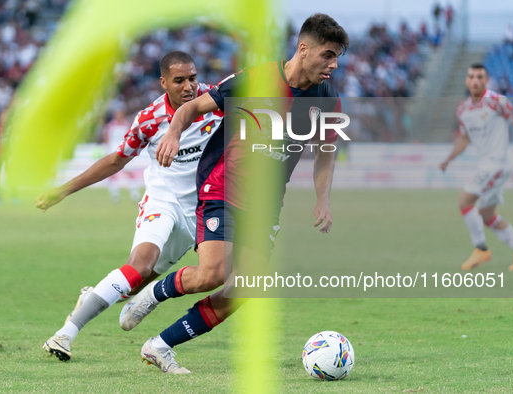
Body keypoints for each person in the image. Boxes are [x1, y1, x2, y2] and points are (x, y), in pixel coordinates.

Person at [120, 13, 349, 374]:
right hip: (223, 186)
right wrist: (174, 132)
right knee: (213, 273)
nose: (334, 65)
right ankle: (153, 294)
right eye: (328, 55)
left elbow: (325, 153)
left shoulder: (327, 99)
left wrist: (323, 199)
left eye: (338, 57)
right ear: (304, 49)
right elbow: (193, 106)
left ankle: (160, 346)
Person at [37, 51, 223, 363]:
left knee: (145, 277)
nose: (189, 86)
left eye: (192, 78)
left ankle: (94, 295)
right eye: (179, 80)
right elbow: (115, 161)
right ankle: (65, 334)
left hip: (201, 211)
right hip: (162, 200)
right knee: (139, 265)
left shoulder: (216, 102)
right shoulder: (149, 119)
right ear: (164, 82)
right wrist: (64, 191)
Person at [439, 63, 513, 271]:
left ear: (486, 80)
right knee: (487, 215)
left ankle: (481, 248)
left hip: (500, 163)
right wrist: (448, 159)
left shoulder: (497, 102)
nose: (475, 80)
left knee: (465, 200)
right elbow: (465, 138)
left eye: (480, 77)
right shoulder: (463, 110)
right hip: (487, 164)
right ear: (467, 81)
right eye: (472, 77)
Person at [101, 109, 141, 202]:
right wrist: (106, 150)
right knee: (112, 173)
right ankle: (115, 194)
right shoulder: (110, 126)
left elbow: (132, 137)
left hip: (125, 150)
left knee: (129, 172)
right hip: (113, 150)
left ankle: (134, 193)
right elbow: (106, 138)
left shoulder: (126, 124)